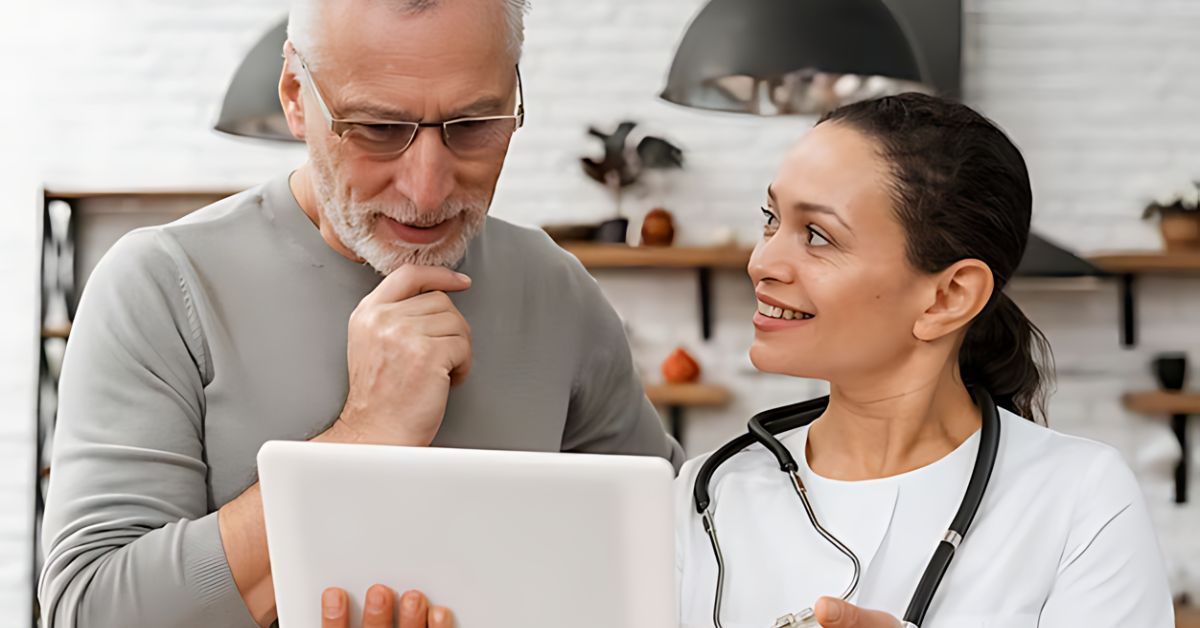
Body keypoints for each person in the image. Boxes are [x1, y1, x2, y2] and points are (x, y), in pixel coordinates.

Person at [325, 94, 1175, 627]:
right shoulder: (710, 491)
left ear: (948, 296)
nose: (765, 261)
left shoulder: (1077, 500)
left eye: (817, 235)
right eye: (771, 220)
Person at [38, 0, 682, 626]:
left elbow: (679, 557)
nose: (427, 189)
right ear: (295, 93)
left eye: (474, 125)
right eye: (377, 129)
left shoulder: (555, 288)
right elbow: (92, 610)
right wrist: (363, 435)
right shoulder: (162, 285)